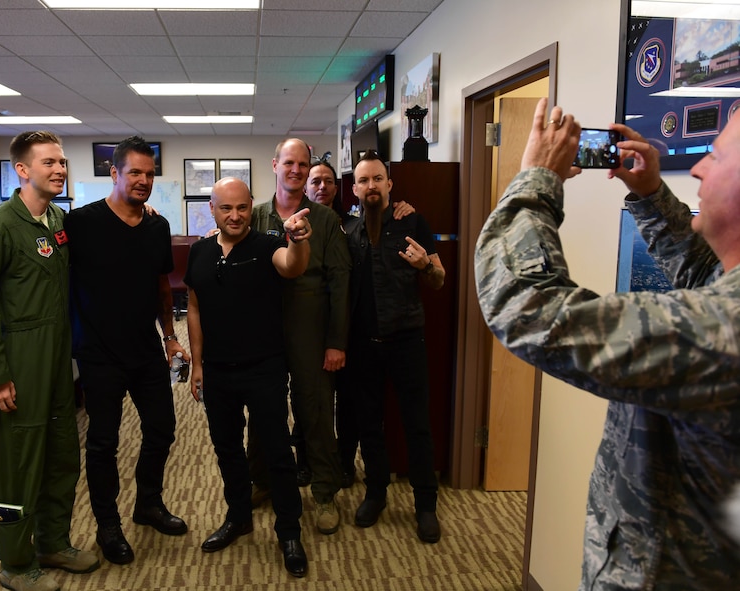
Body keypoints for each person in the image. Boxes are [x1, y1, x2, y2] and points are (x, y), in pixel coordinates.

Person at [474, 97, 740, 588]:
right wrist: (651, 194)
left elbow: (526, 308)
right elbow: (709, 276)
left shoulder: (725, 331)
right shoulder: (726, 304)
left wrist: (535, 180)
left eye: (717, 156)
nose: (699, 167)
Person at [0, 131, 99, 591]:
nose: (59, 169)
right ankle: (15, 564)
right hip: (19, 362)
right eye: (48, 163)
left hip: (58, 360)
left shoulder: (58, 219)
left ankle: (53, 542)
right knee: (16, 468)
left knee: (61, 455)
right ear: (22, 170)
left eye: (62, 162)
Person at [66, 136, 189, 566]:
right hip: (98, 353)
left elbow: (160, 285)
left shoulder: (157, 226)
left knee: (162, 429)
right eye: (134, 172)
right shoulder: (80, 223)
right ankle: (107, 525)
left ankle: (148, 504)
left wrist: (170, 336)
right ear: (114, 173)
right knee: (103, 443)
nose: (143, 181)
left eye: (149, 174)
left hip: (145, 351)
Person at [184, 177, 311, 577]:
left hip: (264, 369)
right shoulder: (201, 251)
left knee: (276, 453)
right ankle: (238, 517)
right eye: (226, 208)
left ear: (250, 206)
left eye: (242, 207)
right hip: (218, 372)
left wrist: (299, 239)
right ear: (213, 208)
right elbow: (194, 309)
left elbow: (292, 267)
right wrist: (198, 365)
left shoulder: (268, 245)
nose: (235, 215)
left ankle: (289, 532)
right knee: (227, 451)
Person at [247, 139, 350, 535]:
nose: (295, 170)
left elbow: (340, 283)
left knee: (317, 411)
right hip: (265, 328)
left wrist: (336, 341)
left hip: (311, 325)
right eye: (288, 162)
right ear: (274, 164)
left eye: (302, 164)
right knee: (262, 410)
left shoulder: (325, 220)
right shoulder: (255, 216)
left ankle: (325, 493)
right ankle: (263, 481)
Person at [344, 150, 445, 544]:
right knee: (370, 425)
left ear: (389, 184)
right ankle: (376, 493)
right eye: (363, 180)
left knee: (417, 425)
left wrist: (425, 266)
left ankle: (425, 506)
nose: (371, 186)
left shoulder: (412, 221)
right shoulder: (348, 232)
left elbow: (439, 279)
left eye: (377, 179)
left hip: (406, 342)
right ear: (355, 189)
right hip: (363, 346)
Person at [305, 159, 417, 489]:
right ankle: (307, 462)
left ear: (340, 188)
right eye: (315, 181)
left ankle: (344, 461)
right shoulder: (291, 220)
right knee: (310, 397)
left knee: (351, 403)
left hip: (351, 327)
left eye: (327, 181)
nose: (321, 187)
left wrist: (402, 208)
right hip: (309, 324)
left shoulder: (353, 225)